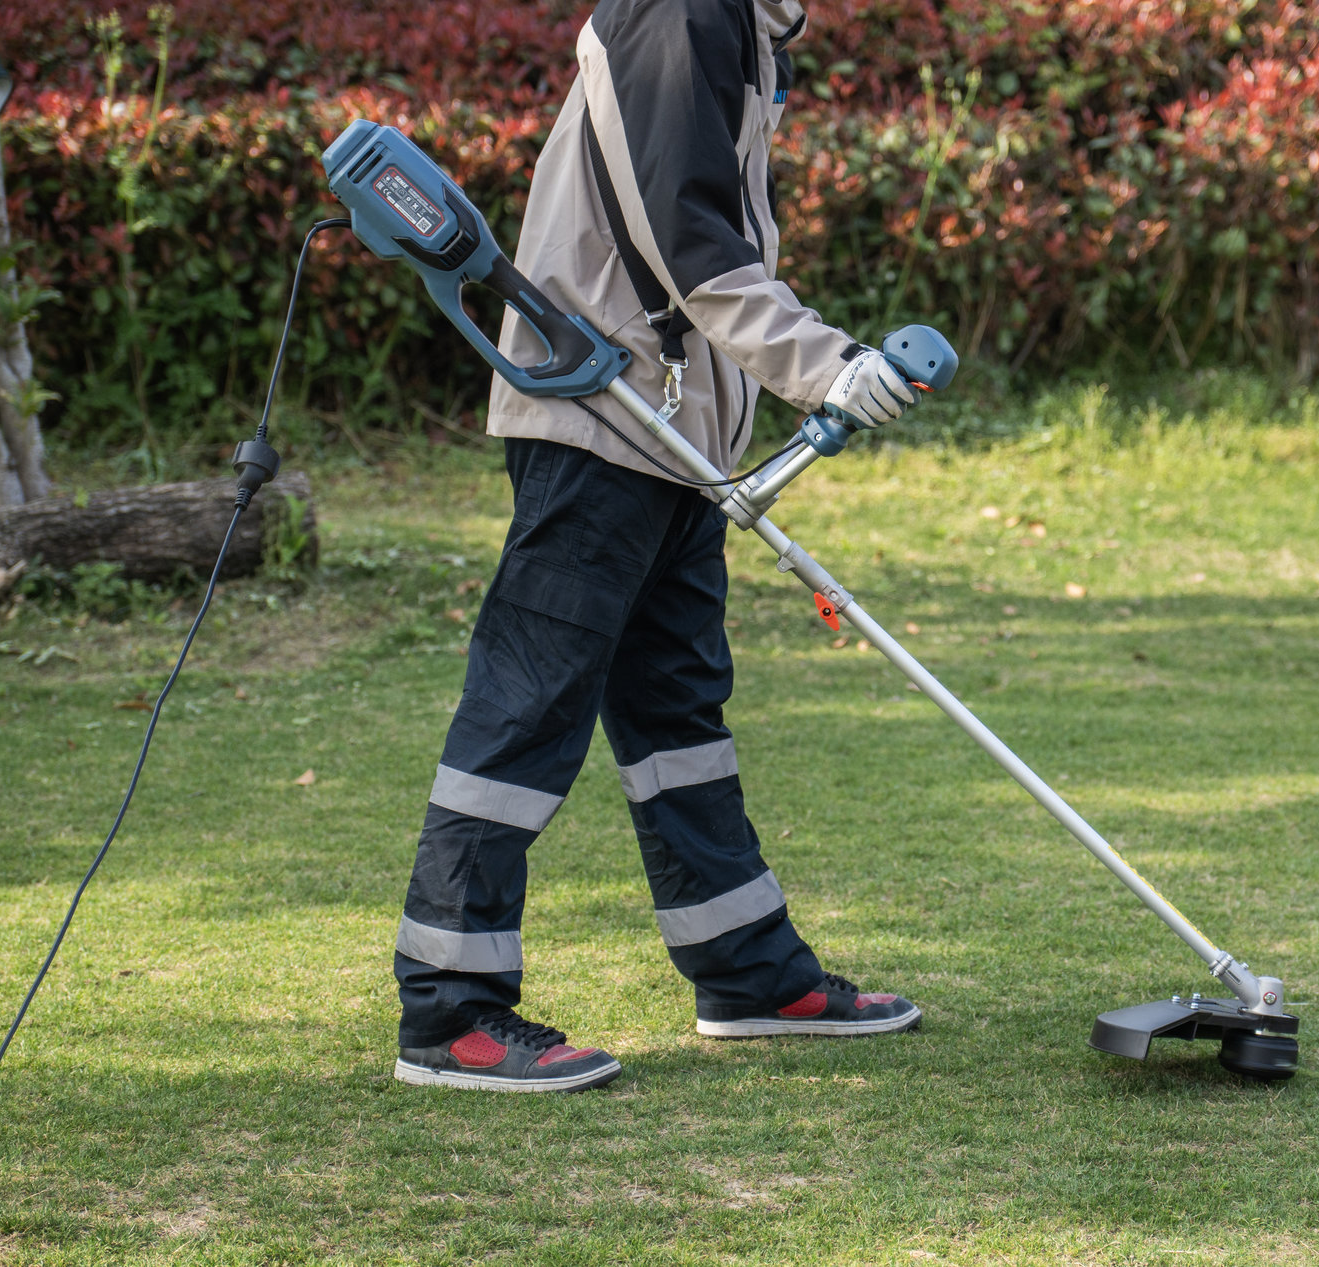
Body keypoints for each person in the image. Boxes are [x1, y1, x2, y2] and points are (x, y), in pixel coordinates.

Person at [390, 0, 925, 1092]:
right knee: (529, 702)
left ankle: (749, 974)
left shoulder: (748, 25)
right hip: (601, 416)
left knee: (677, 713)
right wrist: (821, 367)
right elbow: (683, 232)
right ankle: (448, 1014)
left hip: (670, 432)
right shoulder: (682, 8)